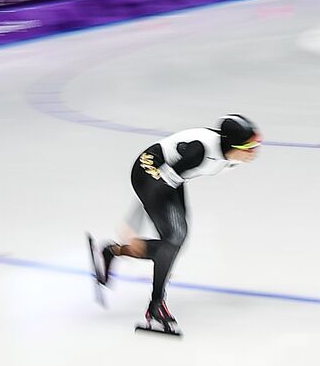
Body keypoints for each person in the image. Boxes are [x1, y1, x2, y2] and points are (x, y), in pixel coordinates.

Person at [88, 114, 262, 336]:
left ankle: (111, 252)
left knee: (173, 241)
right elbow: (155, 191)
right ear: (231, 145)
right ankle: (156, 305)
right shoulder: (199, 152)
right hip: (149, 173)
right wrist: (132, 226)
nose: (253, 152)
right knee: (174, 238)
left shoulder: (233, 153)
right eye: (248, 147)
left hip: (172, 177)